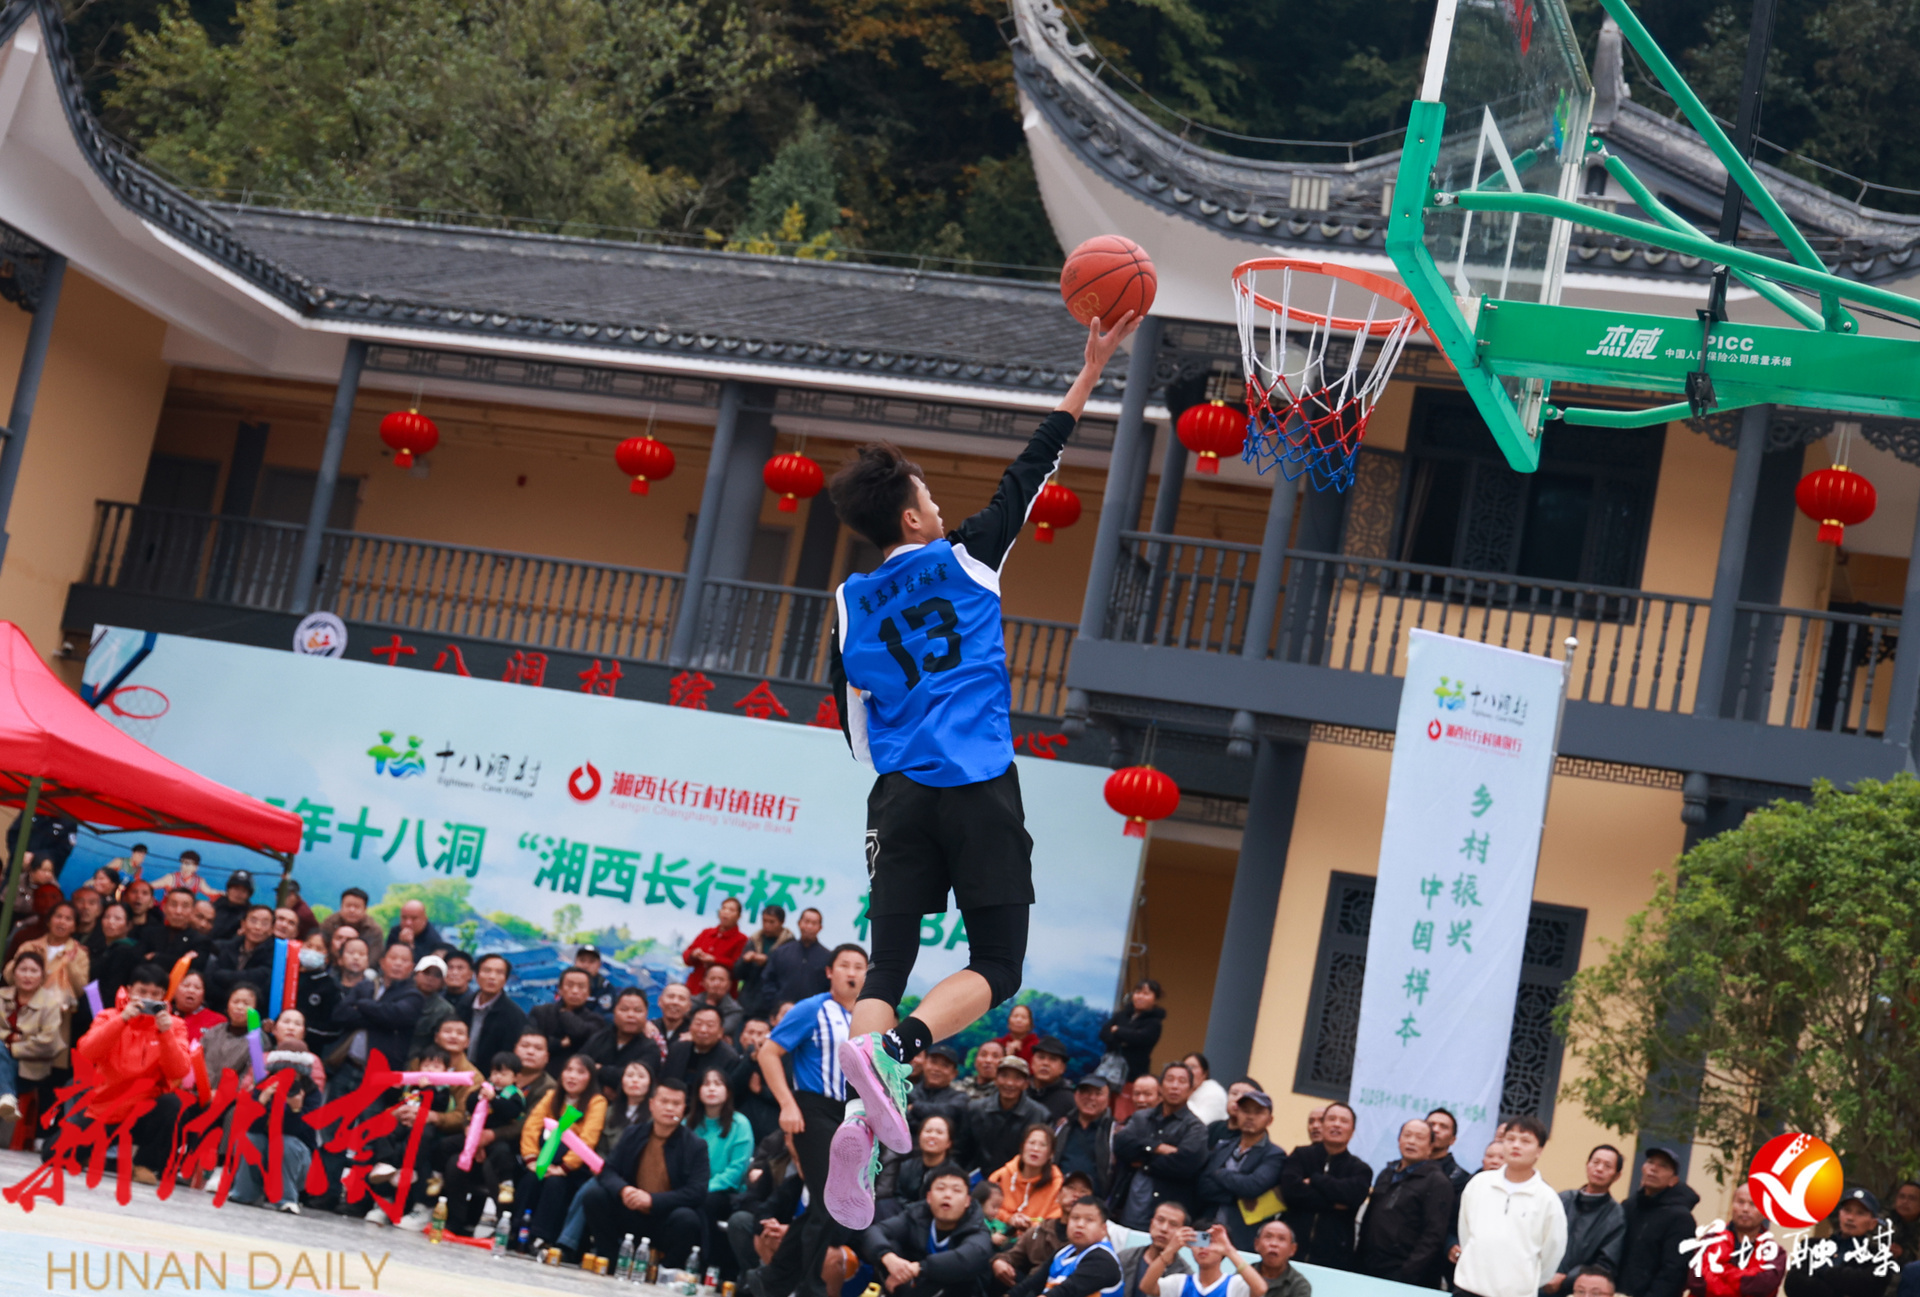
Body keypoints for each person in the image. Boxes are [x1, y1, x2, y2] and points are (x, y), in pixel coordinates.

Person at [822, 309, 1142, 1228]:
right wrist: (1091, 369)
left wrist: (898, 766)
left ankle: (859, 1116)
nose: (935, 505)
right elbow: (1034, 464)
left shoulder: (849, 601)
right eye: (927, 496)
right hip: (976, 781)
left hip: (898, 792)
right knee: (998, 964)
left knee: (887, 962)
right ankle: (901, 1050)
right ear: (914, 515)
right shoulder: (966, 558)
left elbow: (852, 722)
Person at [752, 942, 870, 1296]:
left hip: (851, 1115)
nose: (852, 973)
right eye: (844, 965)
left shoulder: (870, 1017)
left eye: (859, 967)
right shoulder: (813, 1008)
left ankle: (769, 1284)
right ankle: (810, 1288)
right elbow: (769, 1052)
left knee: (825, 1206)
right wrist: (787, 1104)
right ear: (829, 972)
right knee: (830, 1201)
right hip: (813, 1110)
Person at [69, 963, 190, 1184]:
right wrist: (122, 1019)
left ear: (164, 996)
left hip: (146, 1109)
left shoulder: (175, 1025)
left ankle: (146, 1164)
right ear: (129, 990)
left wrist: (165, 1034)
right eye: (142, 992)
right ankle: (99, 1158)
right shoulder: (108, 1016)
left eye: (155, 994)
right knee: (54, 1153)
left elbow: (179, 1070)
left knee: (172, 1103)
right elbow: (86, 1052)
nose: (148, 999)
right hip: (106, 1107)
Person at [582, 1077, 710, 1265]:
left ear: (684, 1109)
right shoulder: (633, 1133)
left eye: (676, 1104)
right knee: (594, 1195)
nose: (669, 1108)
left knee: (687, 1219)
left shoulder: (695, 1145)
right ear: (651, 1104)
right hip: (631, 1209)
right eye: (664, 1101)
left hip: (665, 1215)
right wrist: (624, 1190)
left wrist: (652, 1200)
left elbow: (697, 1191)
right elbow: (608, 1171)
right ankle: (609, 1259)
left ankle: (666, 1269)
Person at [1454, 1116, 1564, 1297]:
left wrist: (1527, 1282)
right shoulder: (1479, 1184)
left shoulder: (1547, 1199)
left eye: (1525, 1141)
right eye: (1510, 1139)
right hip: (1469, 1289)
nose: (1516, 1145)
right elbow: (1466, 1233)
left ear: (1539, 1150)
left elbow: (1552, 1253)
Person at [860, 1162, 996, 1297]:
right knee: (889, 1245)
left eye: (956, 1190)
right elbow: (874, 1231)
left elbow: (968, 1259)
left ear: (967, 1201)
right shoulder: (916, 1215)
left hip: (959, 1291)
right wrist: (888, 1258)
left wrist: (917, 1268)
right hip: (911, 1286)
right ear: (929, 1197)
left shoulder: (977, 1227)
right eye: (941, 1188)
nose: (947, 1195)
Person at [516, 1053, 608, 1248]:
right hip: (542, 1159)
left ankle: (541, 1236)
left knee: (555, 1183)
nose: (572, 1076)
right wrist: (531, 1159)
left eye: (580, 1072)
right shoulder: (551, 1096)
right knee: (530, 1178)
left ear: (590, 1077)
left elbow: (588, 1139)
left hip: (573, 1167)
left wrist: (564, 1167)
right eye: (569, 1070)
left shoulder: (597, 1102)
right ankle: (516, 1230)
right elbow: (531, 1127)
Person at [439, 1049, 531, 1238]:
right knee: (447, 1147)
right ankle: (452, 1212)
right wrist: (479, 1096)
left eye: (503, 1073)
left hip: (499, 1141)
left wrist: (493, 1100)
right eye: (495, 1072)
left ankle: (506, 1186)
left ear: (516, 1077)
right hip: (474, 1137)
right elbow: (469, 1105)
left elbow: (511, 1112)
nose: (497, 1077)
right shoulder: (485, 1088)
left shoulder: (515, 1094)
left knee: (502, 1153)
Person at [1354, 1118, 1453, 1287]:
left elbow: (1433, 1236)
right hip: (1369, 1267)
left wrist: (1406, 1274)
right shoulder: (1387, 1173)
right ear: (1399, 1140)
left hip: (1404, 1276)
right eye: (1407, 1135)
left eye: (1419, 1138)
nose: (1411, 1141)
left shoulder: (1437, 1182)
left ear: (1430, 1147)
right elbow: (1368, 1220)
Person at [1111, 1062, 1209, 1230]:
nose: (1175, 1086)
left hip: (1168, 1214)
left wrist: (1144, 1163)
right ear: (1161, 1087)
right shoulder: (1141, 1117)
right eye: (1169, 1080)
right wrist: (1157, 1147)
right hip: (1130, 1207)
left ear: (1191, 1089)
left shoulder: (1195, 1127)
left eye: (1182, 1081)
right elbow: (1121, 1143)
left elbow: (1186, 1163)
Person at [1277, 1100, 1371, 1271]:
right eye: (1331, 1119)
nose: (1337, 1124)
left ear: (1352, 1131)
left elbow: (1352, 1197)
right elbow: (1291, 1192)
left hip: (1334, 1256)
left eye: (1344, 1121)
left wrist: (1315, 1179)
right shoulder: (1300, 1155)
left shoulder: (1360, 1169)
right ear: (1323, 1124)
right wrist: (1333, 1203)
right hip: (1290, 1249)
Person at [1197, 1090, 1286, 1250]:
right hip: (1206, 1230)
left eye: (1258, 1112)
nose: (1250, 1117)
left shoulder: (1274, 1154)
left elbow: (1252, 1187)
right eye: (1245, 1111)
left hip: (1243, 1238)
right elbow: (1203, 1186)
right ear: (1237, 1114)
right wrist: (1238, 1195)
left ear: (1270, 1120)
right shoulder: (1222, 1146)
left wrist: (1219, 1173)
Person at [694, 1066, 757, 1275]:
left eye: (718, 1084)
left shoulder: (740, 1124)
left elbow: (737, 1170)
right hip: (694, 1189)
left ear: (728, 1091)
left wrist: (703, 1188)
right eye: (706, 1084)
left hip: (726, 1193)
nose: (711, 1088)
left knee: (707, 1203)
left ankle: (707, 1266)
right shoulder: (689, 1123)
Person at [332, 942, 427, 1079]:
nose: (398, 963)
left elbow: (394, 1015)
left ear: (411, 968)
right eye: (393, 958)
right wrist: (379, 1020)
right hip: (347, 1066)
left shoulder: (413, 996)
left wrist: (362, 1004)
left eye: (404, 960)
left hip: (381, 1074)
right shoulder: (365, 986)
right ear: (382, 962)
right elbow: (340, 1014)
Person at [0, 950, 72, 1126]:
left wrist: (12, 1047)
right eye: (23, 970)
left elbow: (48, 1042)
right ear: (14, 973)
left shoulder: (50, 1004)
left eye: (33, 971)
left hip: (28, 1070)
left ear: (42, 976)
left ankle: (7, 1094)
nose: (27, 976)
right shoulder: (2, 996)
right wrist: (11, 1037)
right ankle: (6, 1096)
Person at [1617, 1148, 1701, 1297]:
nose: (1654, 1169)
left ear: (1673, 1180)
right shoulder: (1628, 1206)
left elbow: (1674, 1271)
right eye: (1650, 1162)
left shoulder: (1681, 1219)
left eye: (1663, 1166)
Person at [1008, 1196, 1126, 1297]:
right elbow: (1032, 1284)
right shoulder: (1062, 1252)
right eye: (1075, 1218)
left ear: (1103, 1229)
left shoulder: (1103, 1260)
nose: (1080, 1224)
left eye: (1089, 1220)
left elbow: (1064, 1292)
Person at [1549, 1145, 1628, 1294]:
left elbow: (1605, 1263)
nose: (1599, 1169)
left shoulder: (1615, 1215)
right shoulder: (1563, 1199)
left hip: (1577, 1290)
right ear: (1587, 1165)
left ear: (1617, 1176)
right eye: (1595, 1162)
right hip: (1538, 1281)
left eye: (1607, 1166)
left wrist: (1565, 1280)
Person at [1685, 1184, 1783, 1297]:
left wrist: (1723, 1272)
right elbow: (1696, 1282)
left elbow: (1762, 1287)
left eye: (1753, 1204)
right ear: (1732, 1205)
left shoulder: (1774, 1253)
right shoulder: (1710, 1240)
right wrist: (1742, 1280)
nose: (1745, 1209)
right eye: (1740, 1202)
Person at [1785, 1188, 1883, 1297]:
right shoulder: (1811, 1246)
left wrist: (1821, 1271)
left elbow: (1865, 1286)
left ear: (1873, 1223)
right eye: (1847, 1210)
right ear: (1839, 1213)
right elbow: (1792, 1284)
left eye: (1860, 1213)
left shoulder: (1878, 1258)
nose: (1850, 1218)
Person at [1138, 1221, 1270, 1297]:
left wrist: (1230, 1251)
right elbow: (1146, 1287)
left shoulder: (1235, 1284)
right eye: (1199, 1241)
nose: (1203, 1248)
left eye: (1211, 1242)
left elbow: (1260, 1289)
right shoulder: (1179, 1282)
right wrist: (1170, 1250)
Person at [970, 1052, 1050, 1177]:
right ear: (995, 1079)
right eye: (1004, 1076)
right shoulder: (976, 1109)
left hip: (1019, 1179)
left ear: (1026, 1084)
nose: (1010, 1083)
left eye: (1017, 1078)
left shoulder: (1040, 1115)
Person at [879, 1112, 960, 1222]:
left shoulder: (954, 1173)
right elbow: (897, 1196)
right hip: (903, 1217)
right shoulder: (906, 1166)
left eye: (939, 1132)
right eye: (928, 1131)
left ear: (949, 1143)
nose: (932, 1136)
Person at [529, 967, 606, 1076]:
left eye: (581, 987)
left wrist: (565, 1013)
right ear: (560, 989)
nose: (575, 991)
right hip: (539, 1074)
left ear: (589, 993)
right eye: (570, 985)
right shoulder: (541, 1012)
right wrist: (560, 1043)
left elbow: (581, 1032)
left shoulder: (596, 1020)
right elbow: (532, 1043)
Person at [7, 900, 90, 1000]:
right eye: (58, 916)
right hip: (25, 1005)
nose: (62, 922)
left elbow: (80, 990)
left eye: (68, 919)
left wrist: (69, 964)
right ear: (49, 921)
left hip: (59, 1007)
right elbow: (9, 978)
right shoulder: (29, 947)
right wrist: (25, 960)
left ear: (74, 927)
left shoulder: (79, 954)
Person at [992, 1124, 1067, 1233]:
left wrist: (1031, 1225)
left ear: (1051, 1154)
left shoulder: (1058, 1184)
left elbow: (1057, 1220)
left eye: (1043, 1145)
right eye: (1031, 1143)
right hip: (999, 1234)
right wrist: (1009, 1219)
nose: (1035, 1149)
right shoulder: (1001, 1176)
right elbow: (985, 1207)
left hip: (1037, 1238)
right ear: (1022, 1147)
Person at [583, 987, 658, 1091]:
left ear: (646, 1014)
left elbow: (637, 1077)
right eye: (624, 1009)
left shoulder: (650, 1047)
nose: (631, 1015)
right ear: (614, 1011)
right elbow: (580, 1067)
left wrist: (600, 1069)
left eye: (638, 1010)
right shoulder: (599, 1038)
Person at [761, 907, 831, 1016]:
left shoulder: (828, 957)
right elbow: (768, 981)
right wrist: (778, 1005)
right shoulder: (781, 952)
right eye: (806, 922)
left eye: (814, 923)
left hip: (813, 1016)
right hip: (782, 1014)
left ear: (820, 928)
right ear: (799, 923)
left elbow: (830, 989)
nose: (809, 926)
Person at [1055, 1075, 1116, 1200]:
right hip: (1058, 1199)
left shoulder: (1115, 1131)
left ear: (1108, 1099)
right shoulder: (1062, 1127)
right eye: (1086, 1092)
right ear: (1076, 1095)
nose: (1091, 1098)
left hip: (1096, 1202)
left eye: (1098, 1093)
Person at [462, 953, 526, 1067]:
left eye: (499, 972)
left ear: (505, 979)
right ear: (476, 975)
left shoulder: (514, 1015)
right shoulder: (464, 1004)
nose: (492, 977)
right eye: (487, 971)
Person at [1118, 1202, 1195, 1297]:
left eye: (1173, 1224)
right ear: (1151, 1223)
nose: (1164, 1229)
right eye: (1160, 1220)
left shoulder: (1185, 1276)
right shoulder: (1125, 1257)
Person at [908, 1043, 971, 1147]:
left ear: (954, 1073)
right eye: (933, 1062)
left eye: (945, 1065)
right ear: (924, 1064)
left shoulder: (960, 1098)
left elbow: (952, 1111)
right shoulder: (909, 1092)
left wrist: (915, 1107)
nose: (937, 1069)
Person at [1100, 982, 1165, 1083]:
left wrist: (1118, 1031)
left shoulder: (1154, 1023)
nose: (1140, 996)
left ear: (1155, 999)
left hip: (1133, 1074)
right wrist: (1122, 1040)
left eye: (1146, 994)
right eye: (1137, 992)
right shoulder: (1121, 1015)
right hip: (1108, 1068)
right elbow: (1104, 1033)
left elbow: (1140, 1038)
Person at [736, 904, 791, 1017]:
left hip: (772, 1004)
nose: (767, 925)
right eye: (764, 921)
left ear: (781, 922)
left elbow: (787, 973)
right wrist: (745, 961)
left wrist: (768, 961)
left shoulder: (789, 945)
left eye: (772, 922)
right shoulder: (754, 941)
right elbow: (737, 973)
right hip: (747, 1001)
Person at [666, 1004, 742, 1085]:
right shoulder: (677, 1049)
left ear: (721, 1032)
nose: (703, 1030)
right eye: (698, 1024)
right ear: (690, 1027)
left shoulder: (730, 1058)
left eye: (710, 1025)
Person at [686, 896, 750, 990]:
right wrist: (693, 954)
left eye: (731, 910)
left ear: (738, 917)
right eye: (723, 908)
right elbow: (686, 956)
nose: (726, 912)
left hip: (720, 992)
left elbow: (738, 969)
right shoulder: (707, 933)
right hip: (695, 987)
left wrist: (715, 960)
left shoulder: (742, 939)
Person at [138, 886, 210, 967]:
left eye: (185, 906)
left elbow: (195, 965)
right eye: (173, 905)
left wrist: (156, 957)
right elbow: (139, 960)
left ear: (193, 911)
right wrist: (181, 959)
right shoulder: (149, 933)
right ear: (164, 908)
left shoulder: (200, 940)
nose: (178, 911)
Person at [90, 902, 143, 1004]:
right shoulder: (100, 948)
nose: (110, 922)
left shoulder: (125, 951)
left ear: (129, 925)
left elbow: (112, 989)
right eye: (106, 917)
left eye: (117, 918)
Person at [406, 953, 456, 1059]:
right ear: (415, 974)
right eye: (426, 972)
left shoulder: (445, 1010)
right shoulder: (398, 997)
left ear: (443, 982)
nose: (430, 978)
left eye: (437, 975)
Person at [319, 888, 383, 966]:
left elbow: (373, 958)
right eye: (348, 906)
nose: (352, 910)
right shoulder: (329, 923)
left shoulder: (373, 930)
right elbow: (321, 949)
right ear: (341, 906)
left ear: (365, 909)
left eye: (357, 907)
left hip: (360, 968)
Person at [1253, 1221, 1311, 1297]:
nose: (1273, 1244)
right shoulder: (1243, 1275)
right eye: (1268, 1237)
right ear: (1256, 1244)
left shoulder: (1299, 1285)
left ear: (1292, 1249)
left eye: (1281, 1239)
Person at [1425, 1108, 1473, 1198]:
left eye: (1443, 1127)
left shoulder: (1461, 1179)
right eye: (1431, 1125)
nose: (1435, 1130)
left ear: (1453, 1140)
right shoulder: (1404, 1167)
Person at [168, 969, 223, 1042]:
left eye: (197, 987)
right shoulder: (162, 1012)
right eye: (186, 986)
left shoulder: (218, 1021)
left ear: (203, 995)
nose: (191, 991)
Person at [1030, 1037, 1075, 1121]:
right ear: (1032, 1063)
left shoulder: (1069, 1101)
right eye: (1041, 1057)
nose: (1045, 1063)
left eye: (1053, 1059)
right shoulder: (1019, 1088)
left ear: (1062, 1068)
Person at [699, 962, 748, 1039]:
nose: (716, 984)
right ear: (704, 982)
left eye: (721, 980)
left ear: (729, 985)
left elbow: (719, 1031)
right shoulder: (692, 1002)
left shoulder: (735, 1010)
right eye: (712, 979)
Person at [1183, 1055, 1228, 1128]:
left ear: (1204, 1073)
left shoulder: (1214, 1092)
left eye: (1192, 1067)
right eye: (1184, 1067)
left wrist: (1182, 1101)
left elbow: (1201, 1124)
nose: (1188, 1071)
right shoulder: (1187, 1091)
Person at [151, 849, 216, 899]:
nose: (183, 866)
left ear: (196, 867)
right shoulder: (171, 878)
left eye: (187, 864)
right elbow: (148, 887)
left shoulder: (199, 881)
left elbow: (211, 892)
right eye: (182, 863)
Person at [209, 870, 254, 941]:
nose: (239, 893)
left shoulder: (250, 915)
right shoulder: (214, 906)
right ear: (228, 889)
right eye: (236, 888)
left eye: (243, 891)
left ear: (248, 895)